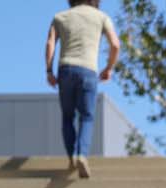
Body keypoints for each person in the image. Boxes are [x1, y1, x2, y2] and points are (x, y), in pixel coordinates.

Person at [45, 0, 120, 177]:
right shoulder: (102, 17)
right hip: (88, 71)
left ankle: (71, 155)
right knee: (87, 116)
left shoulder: (60, 17)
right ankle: (81, 155)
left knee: (68, 116)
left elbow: (50, 44)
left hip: (65, 70)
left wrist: (49, 70)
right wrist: (109, 68)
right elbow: (115, 45)